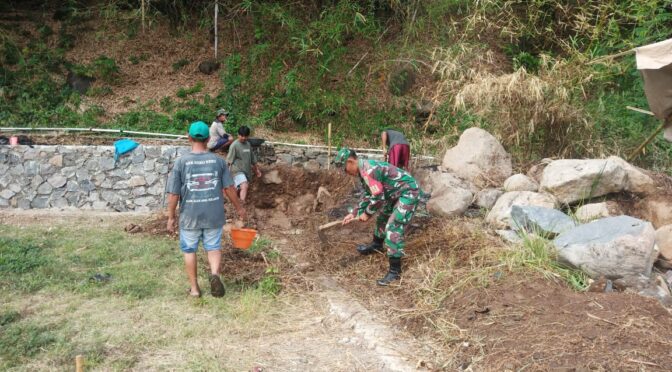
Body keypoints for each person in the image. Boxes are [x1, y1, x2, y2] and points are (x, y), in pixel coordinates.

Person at [166, 121, 246, 298]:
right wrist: (240, 208)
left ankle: (194, 289)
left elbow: (173, 194)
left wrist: (171, 217)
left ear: (189, 138)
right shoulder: (218, 162)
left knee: (189, 250)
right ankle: (215, 275)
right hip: (213, 214)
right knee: (213, 247)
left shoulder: (181, 162)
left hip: (190, 216)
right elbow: (229, 189)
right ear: (209, 139)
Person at [336, 148, 426, 286]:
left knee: (393, 226)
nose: (345, 172)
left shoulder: (369, 170)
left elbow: (378, 197)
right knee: (382, 218)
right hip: (394, 193)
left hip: (408, 193)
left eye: (345, 168)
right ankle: (377, 245)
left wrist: (366, 213)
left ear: (351, 161)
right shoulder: (363, 171)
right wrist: (354, 213)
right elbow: (369, 194)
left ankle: (395, 271)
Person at [226, 126, 262, 204]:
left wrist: (257, 170)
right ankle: (242, 205)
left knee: (238, 188)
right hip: (236, 170)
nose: (243, 138)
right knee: (244, 185)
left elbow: (253, 160)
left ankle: (233, 202)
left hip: (246, 171)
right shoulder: (234, 145)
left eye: (245, 136)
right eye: (241, 136)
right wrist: (227, 174)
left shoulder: (248, 145)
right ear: (238, 135)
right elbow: (229, 161)